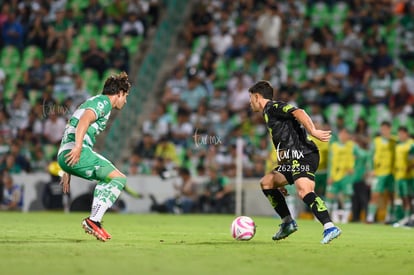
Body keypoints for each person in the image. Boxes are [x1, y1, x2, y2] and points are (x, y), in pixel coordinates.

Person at [248, 80, 341, 244]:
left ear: (257, 97)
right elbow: (283, 142)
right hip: (291, 158)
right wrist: (282, 175)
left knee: (304, 190)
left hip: (303, 154)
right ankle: (287, 223)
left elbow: (298, 112)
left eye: (250, 99)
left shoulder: (273, 107)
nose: (250, 103)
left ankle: (329, 226)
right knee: (268, 182)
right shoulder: (267, 114)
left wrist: (313, 131)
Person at [57, 72, 131, 242]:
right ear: (119, 93)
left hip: (64, 154)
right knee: (118, 179)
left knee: (110, 178)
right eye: (125, 96)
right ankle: (94, 220)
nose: (125, 101)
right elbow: (84, 121)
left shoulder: (92, 102)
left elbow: (72, 126)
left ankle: (95, 220)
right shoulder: (103, 102)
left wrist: (66, 168)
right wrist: (77, 147)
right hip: (76, 150)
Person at [366, 121, 396, 224]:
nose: (384, 131)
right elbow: (370, 156)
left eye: (386, 129)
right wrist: (371, 169)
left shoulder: (394, 141)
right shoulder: (376, 141)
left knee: (391, 196)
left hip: (391, 173)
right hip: (378, 172)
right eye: (382, 129)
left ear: (390, 129)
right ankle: (370, 217)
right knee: (375, 195)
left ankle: (389, 217)